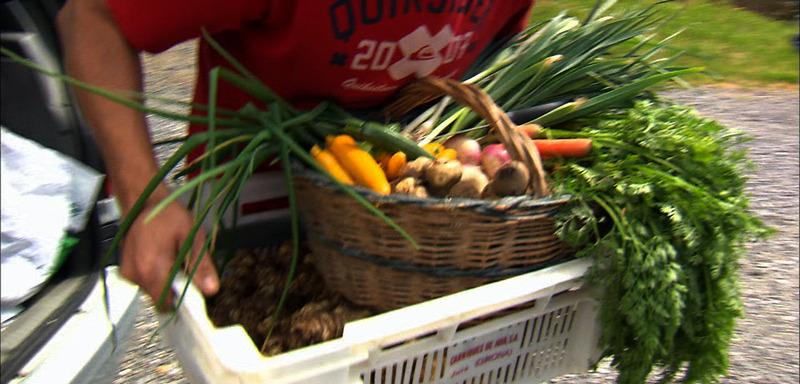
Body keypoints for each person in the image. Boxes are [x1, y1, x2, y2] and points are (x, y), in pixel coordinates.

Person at [56, 0, 536, 310]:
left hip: (415, 212)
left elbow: (500, 47)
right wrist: (142, 197)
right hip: (260, 207)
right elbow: (92, 19)